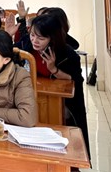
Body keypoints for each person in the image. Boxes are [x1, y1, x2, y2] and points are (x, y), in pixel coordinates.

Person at [16, 13, 89, 156]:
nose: (34, 41)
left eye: (41, 38)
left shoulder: (67, 53)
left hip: (60, 103)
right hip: (30, 97)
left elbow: (75, 80)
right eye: (32, 35)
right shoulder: (25, 44)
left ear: (52, 38)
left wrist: (53, 69)